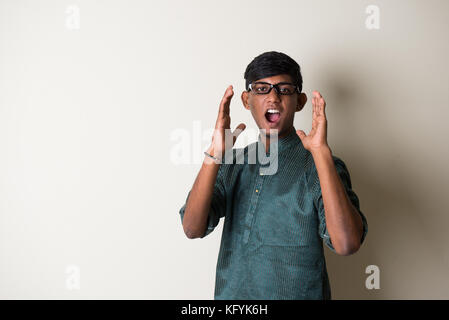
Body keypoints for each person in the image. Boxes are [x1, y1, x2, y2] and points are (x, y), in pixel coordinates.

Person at [178, 51, 368, 299]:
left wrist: (320, 153)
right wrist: (214, 153)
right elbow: (192, 228)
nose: (273, 97)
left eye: (284, 89)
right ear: (247, 100)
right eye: (262, 89)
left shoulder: (321, 165)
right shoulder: (233, 163)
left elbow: (346, 244)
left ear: (300, 101)